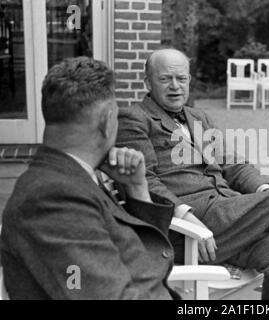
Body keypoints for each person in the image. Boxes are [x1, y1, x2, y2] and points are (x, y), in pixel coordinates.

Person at [116, 48, 269, 300]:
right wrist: (187, 217)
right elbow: (145, 181)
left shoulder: (198, 117)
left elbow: (232, 164)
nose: (175, 86)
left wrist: (261, 190)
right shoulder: (133, 118)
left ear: (189, 80)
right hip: (184, 231)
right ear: (148, 82)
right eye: (165, 79)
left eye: (182, 79)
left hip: (227, 217)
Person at [0, 57, 179, 299]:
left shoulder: (74, 176)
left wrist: (138, 190)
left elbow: (143, 259)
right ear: (107, 121)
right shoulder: (51, 199)